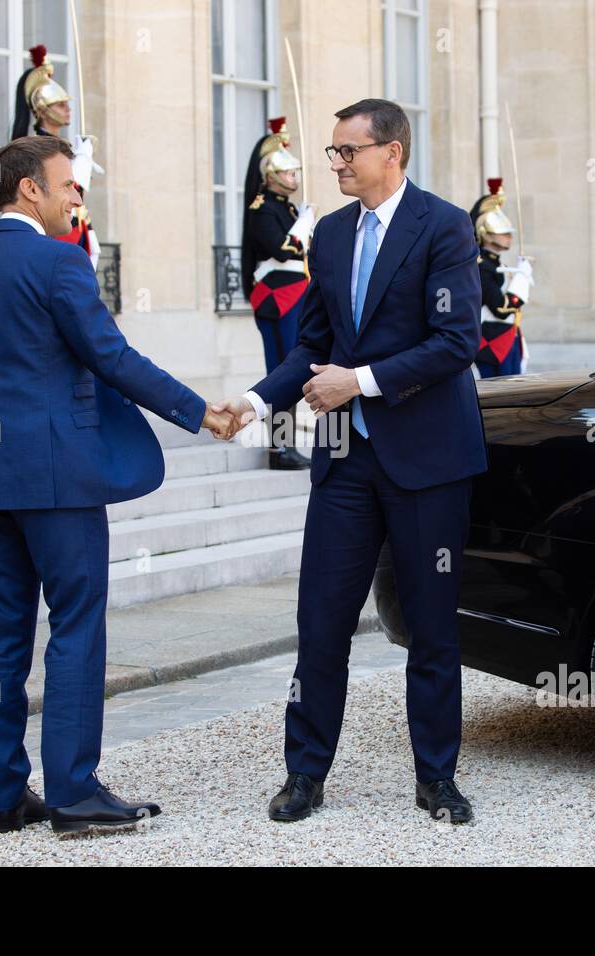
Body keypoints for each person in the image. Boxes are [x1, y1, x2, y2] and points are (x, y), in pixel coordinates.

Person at [0, 136, 241, 835]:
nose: (78, 196)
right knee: (75, 625)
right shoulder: (59, 262)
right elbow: (110, 356)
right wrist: (198, 411)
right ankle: (75, 793)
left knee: (0, 636)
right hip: (59, 484)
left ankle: (5, 797)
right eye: (69, 184)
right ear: (30, 191)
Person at [213, 98, 487, 824]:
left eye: (346, 151)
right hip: (344, 462)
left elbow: (456, 339)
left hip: (427, 460)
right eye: (332, 152)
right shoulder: (329, 236)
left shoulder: (446, 226)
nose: (334, 163)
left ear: (390, 152)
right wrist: (252, 400)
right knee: (321, 623)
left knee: (430, 627)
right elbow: (311, 344)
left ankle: (437, 778)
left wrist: (357, 382)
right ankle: (305, 774)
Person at [241, 117, 315, 469]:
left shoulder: (286, 209)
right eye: (286, 174)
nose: (293, 178)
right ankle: (277, 448)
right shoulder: (262, 210)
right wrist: (303, 226)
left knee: (296, 371)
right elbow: (282, 249)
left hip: (296, 296)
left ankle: (285, 444)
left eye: (294, 173)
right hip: (276, 299)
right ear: (270, 176)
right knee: (282, 372)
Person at [12, 44, 101, 268]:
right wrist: (83, 160)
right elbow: (62, 185)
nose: (67, 109)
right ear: (43, 110)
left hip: (75, 222)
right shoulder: (37, 147)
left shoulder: (64, 146)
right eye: (60, 105)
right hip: (55, 224)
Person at [470, 178, 533, 378]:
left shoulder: (497, 265)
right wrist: (522, 281)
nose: (509, 236)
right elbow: (501, 308)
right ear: (485, 233)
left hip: (506, 339)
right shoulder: (481, 267)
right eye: (502, 232)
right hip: (492, 343)